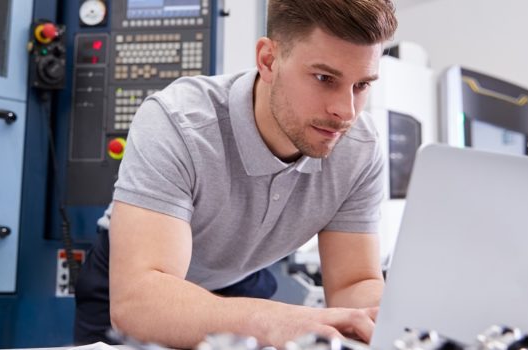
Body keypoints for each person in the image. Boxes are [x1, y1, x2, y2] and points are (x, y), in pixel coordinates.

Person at [74, 0, 398, 347]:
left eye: (362, 85)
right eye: (324, 78)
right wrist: (283, 321)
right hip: (140, 284)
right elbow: (142, 301)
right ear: (268, 60)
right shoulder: (178, 122)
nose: (344, 111)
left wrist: (393, 327)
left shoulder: (359, 148)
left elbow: (352, 283)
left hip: (238, 281)